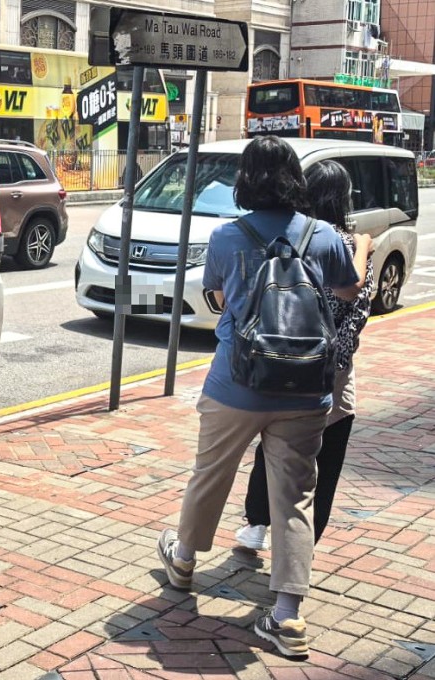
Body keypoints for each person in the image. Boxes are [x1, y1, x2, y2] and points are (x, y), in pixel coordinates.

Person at [155, 136, 363, 659]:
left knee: (212, 471)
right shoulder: (323, 236)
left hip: (236, 383)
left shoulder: (228, 235)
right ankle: (287, 617)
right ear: (295, 177)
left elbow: (220, 296)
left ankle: (182, 560)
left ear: (246, 181)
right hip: (306, 386)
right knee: (294, 495)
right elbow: (347, 290)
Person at [236, 160, 374, 551]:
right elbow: (358, 302)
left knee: (274, 446)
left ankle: (256, 524)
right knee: (325, 460)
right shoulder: (347, 244)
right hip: (332, 374)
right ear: (344, 198)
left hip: (279, 361)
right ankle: (303, 543)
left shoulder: (290, 238)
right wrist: (363, 245)